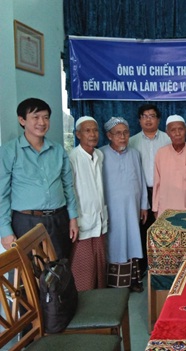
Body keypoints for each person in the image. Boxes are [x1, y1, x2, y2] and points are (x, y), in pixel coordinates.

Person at [0, 98, 78, 258]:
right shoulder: (9, 151)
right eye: (35, 117)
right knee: (27, 274)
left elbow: (68, 186)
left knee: (59, 272)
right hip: (26, 221)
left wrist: (73, 218)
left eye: (46, 117)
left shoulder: (58, 150)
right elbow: (2, 194)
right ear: (22, 120)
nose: (42, 122)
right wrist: (5, 230)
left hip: (58, 219)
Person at [101, 117, 148, 293]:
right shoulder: (101, 154)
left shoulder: (135, 154)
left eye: (126, 132)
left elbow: (141, 181)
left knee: (133, 242)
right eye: (118, 133)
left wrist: (144, 205)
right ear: (109, 135)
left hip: (132, 208)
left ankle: (133, 280)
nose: (123, 137)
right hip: (111, 210)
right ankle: (116, 284)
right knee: (115, 244)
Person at [129, 104, 170, 273]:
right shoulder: (132, 141)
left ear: (158, 119)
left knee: (164, 230)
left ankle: (163, 268)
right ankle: (142, 270)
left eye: (152, 116)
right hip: (141, 192)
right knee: (142, 232)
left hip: (164, 191)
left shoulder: (168, 139)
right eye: (144, 116)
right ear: (139, 120)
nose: (148, 119)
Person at [69, 116, 108, 291]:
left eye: (95, 130)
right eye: (87, 130)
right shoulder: (72, 158)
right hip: (81, 221)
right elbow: (69, 191)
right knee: (84, 268)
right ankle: (83, 308)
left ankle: (99, 304)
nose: (92, 134)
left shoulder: (99, 155)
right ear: (78, 134)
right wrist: (73, 219)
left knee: (100, 265)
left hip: (99, 218)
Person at [153, 115, 186, 217]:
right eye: (173, 130)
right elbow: (157, 182)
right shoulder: (161, 153)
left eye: (180, 129)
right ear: (167, 133)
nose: (177, 133)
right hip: (165, 209)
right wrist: (155, 208)